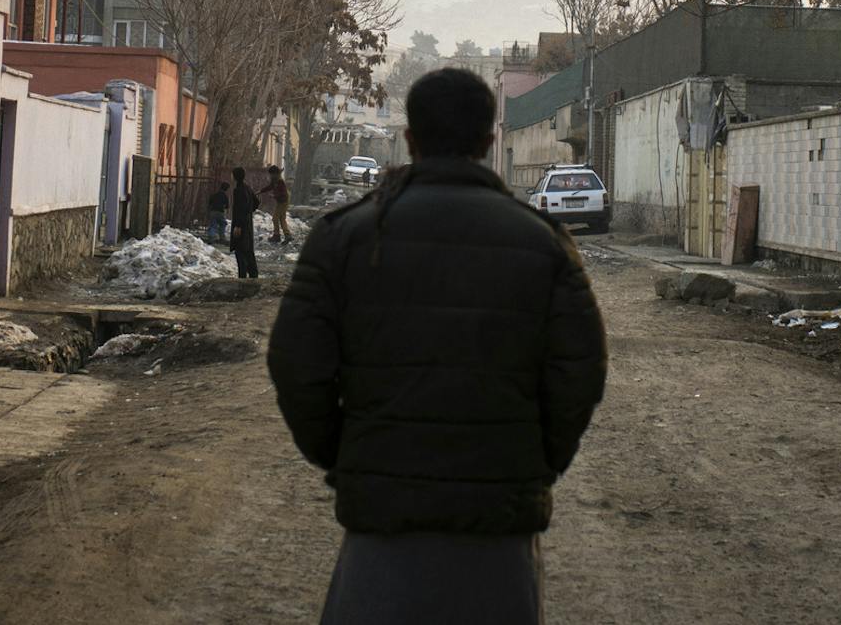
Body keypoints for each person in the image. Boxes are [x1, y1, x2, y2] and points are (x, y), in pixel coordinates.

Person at [267, 68, 608, 624]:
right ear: (489, 142)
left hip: (380, 531)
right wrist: (537, 461)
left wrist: (345, 454)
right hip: (499, 530)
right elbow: (581, 371)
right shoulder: (543, 243)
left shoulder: (345, 237)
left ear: (410, 139)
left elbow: (294, 363)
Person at [228, 166, 260, 280]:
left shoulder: (239, 190)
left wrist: (238, 226)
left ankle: (242, 277)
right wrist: (249, 212)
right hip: (247, 224)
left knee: (240, 250)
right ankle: (253, 275)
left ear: (235, 176)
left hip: (241, 225)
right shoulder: (247, 188)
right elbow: (256, 202)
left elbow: (240, 209)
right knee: (248, 250)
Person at [259, 165, 293, 244]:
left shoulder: (280, 181)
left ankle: (277, 235)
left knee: (275, 218)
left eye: (271, 174)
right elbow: (270, 187)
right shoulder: (274, 180)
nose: (270, 175)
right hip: (280, 201)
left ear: (275, 173)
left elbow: (283, 194)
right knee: (281, 218)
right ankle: (287, 235)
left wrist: (274, 196)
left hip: (283, 201)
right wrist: (260, 191)